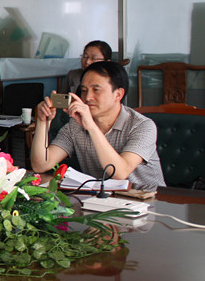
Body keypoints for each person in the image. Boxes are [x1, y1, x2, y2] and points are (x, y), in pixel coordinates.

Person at [31, 61, 164, 190]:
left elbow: (119, 173)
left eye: (96, 90)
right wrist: (43, 121)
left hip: (148, 198)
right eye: (84, 90)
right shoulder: (75, 126)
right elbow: (41, 165)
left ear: (118, 95)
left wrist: (91, 127)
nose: (88, 97)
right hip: (99, 198)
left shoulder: (142, 126)